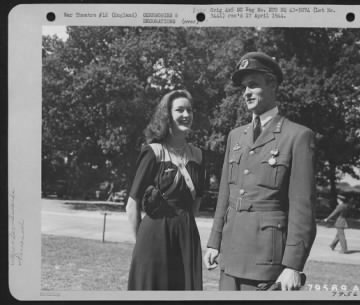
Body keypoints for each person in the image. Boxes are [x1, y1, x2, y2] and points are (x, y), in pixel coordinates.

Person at [203, 52, 317, 291]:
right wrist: (214, 242)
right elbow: (225, 193)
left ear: (272, 84)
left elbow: (302, 207)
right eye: (244, 87)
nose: (246, 92)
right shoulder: (236, 136)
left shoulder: (297, 136)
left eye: (253, 85)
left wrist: (293, 265)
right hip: (230, 255)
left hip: (266, 260)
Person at [125, 89, 204, 290]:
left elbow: (196, 203)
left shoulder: (198, 155)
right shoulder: (153, 152)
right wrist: (143, 244)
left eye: (189, 110)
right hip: (154, 237)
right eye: (180, 110)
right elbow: (132, 205)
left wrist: (183, 226)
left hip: (186, 238)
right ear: (167, 115)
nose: (186, 115)